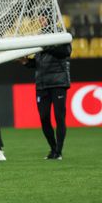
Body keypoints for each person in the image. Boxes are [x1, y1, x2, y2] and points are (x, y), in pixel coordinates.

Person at [19, 14, 71, 160]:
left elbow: (65, 52)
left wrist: (45, 46)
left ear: (51, 18)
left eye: (44, 17)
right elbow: (37, 62)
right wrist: (24, 62)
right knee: (44, 118)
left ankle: (58, 152)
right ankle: (53, 149)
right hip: (42, 83)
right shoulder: (40, 37)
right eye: (40, 18)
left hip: (58, 81)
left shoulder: (61, 34)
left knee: (59, 117)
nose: (41, 20)